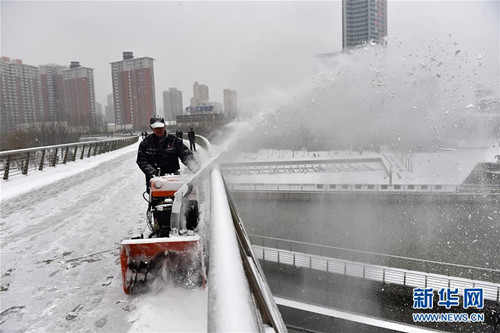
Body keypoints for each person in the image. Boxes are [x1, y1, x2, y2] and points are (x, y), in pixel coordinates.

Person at [137, 115, 198, 192]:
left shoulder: (174, 141)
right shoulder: (146, 143)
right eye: (156, 128)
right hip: (156, 183)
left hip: (174, 179)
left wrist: (195, 168)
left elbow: (186, 155)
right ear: (152, 128)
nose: (159, 130)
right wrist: (152, 172)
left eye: (160, 127)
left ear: (164, 126)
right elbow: (141, 160)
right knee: (156, 202)